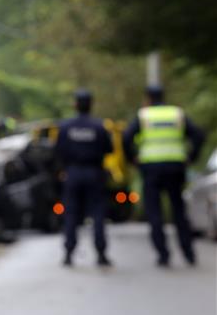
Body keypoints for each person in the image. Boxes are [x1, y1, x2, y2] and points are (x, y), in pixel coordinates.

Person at [123, 86, 205, 267]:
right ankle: (189, 254)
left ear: (148, 98)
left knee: (155, 213)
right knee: (179, 211)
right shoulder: (176, 114)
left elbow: (126, 138)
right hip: (175, 167)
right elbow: (198, 135)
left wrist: (133, 159)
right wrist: (191, 157)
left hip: (151, 168)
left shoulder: (143, 116)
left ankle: (163, 254)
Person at [56, 89, 113, 267]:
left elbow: (58, 151)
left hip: (73, 173)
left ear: (75, 104)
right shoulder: (98, 126)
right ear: (91, 104)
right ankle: (101, 254)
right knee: (97, 214)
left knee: (71, 214)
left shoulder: (66, 127)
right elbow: (109, 149)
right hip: (94, 173)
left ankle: (68, 254)